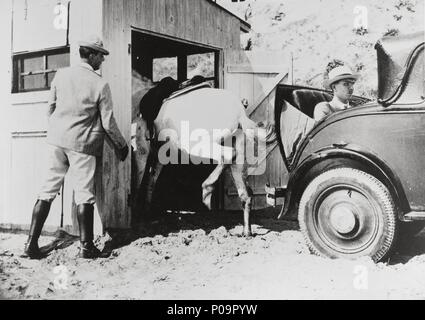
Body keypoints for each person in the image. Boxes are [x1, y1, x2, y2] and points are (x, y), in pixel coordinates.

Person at [23, 35, 129, 259]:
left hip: (57, 142)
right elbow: (108, 123)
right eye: (100, 55)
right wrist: (121, 145)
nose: (102, 59)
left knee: (47, 191)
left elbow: (50, 107)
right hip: (83, 145)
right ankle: (86, 247)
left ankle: (31, 245)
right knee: (85, 195)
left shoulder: (61, 75)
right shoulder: (100, 84)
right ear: (90, 54)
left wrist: (58, 130)